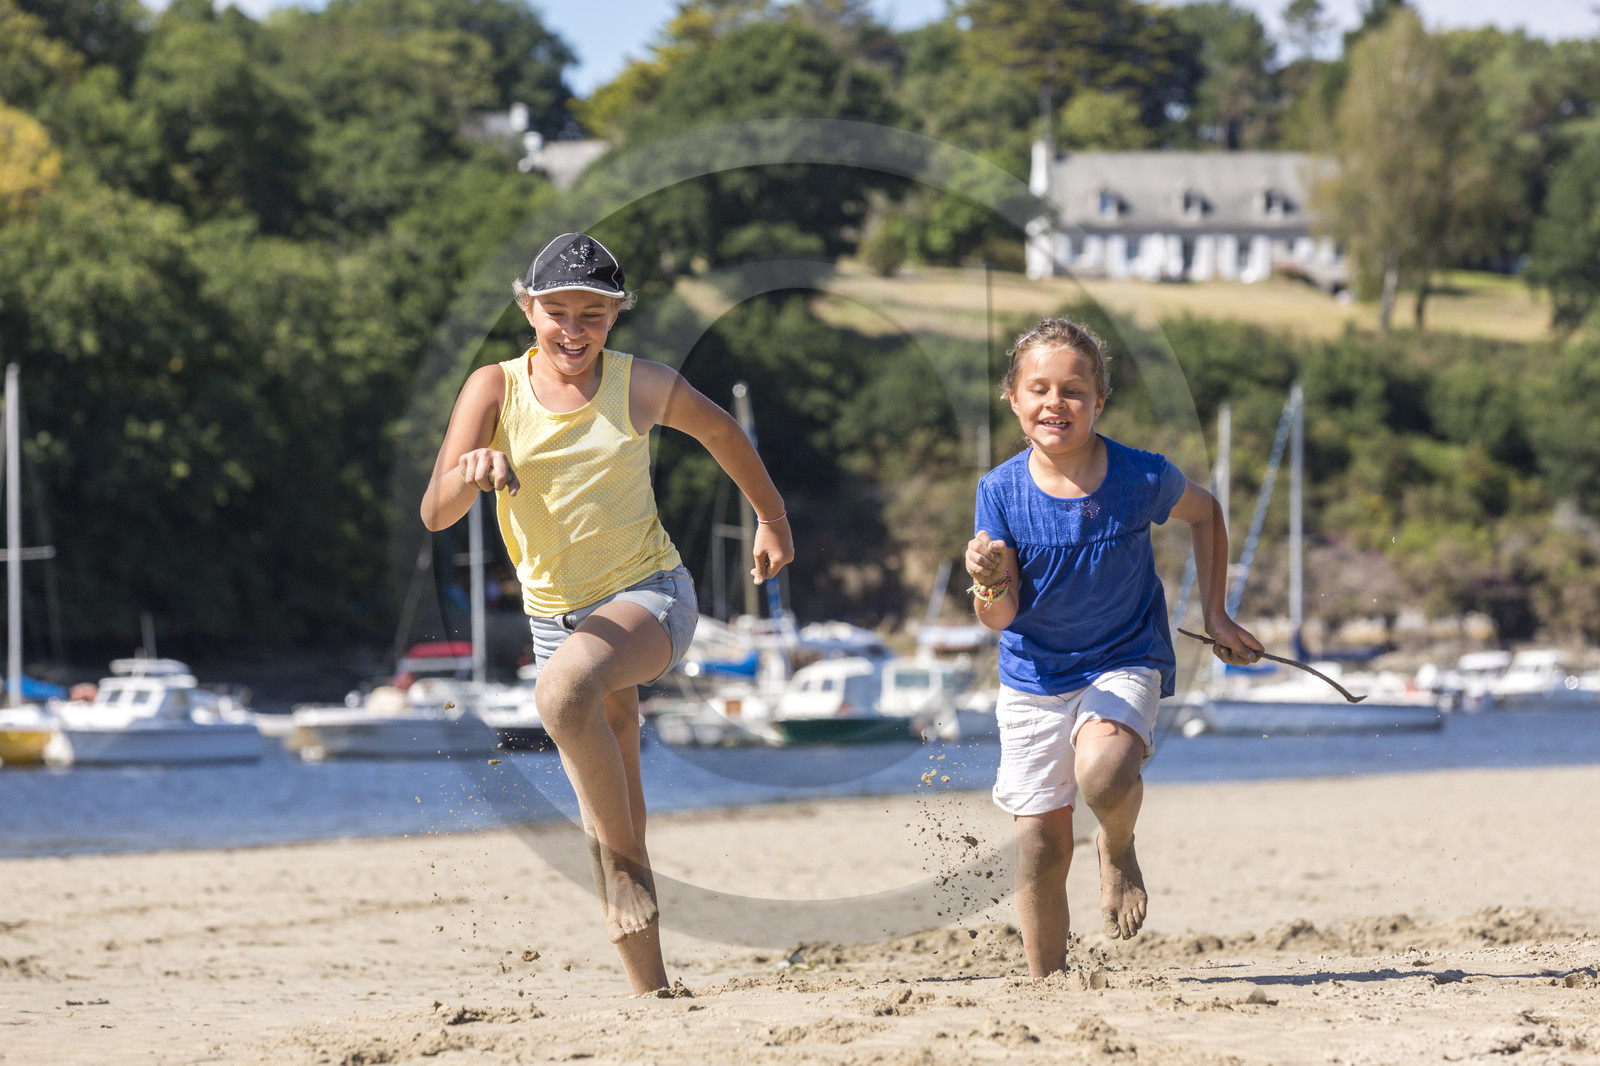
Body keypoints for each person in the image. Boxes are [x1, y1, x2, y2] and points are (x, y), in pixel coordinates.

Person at [420, 233, 794, 994]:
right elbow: (435, 511)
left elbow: (723, 431)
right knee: (611, 811)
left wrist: (773, 519)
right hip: (557, 622)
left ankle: (626, 879)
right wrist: (474, 470)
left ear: (615, 318)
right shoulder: (493, 389)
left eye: (592, 314)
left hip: (650, 598)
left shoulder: (640, 385)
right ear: (528, 309)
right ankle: (652, 993)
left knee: (561, 696)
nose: (573, 329)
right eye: (557, 311)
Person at [965, 317, 1261, 978]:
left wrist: (1216, 612)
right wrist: (986, 583)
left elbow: (1206, 511)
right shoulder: (999, 492)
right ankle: (1048, 984)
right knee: (1041, 844)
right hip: (1034, 675)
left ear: (1099, 402)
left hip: (1124, 657)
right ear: (1012, 399)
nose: (1055, 402)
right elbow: (1001, 616)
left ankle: (1118, 845)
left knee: (1104, 770)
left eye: (1074, 390)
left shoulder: (1137, 477)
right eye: (1038, 388)